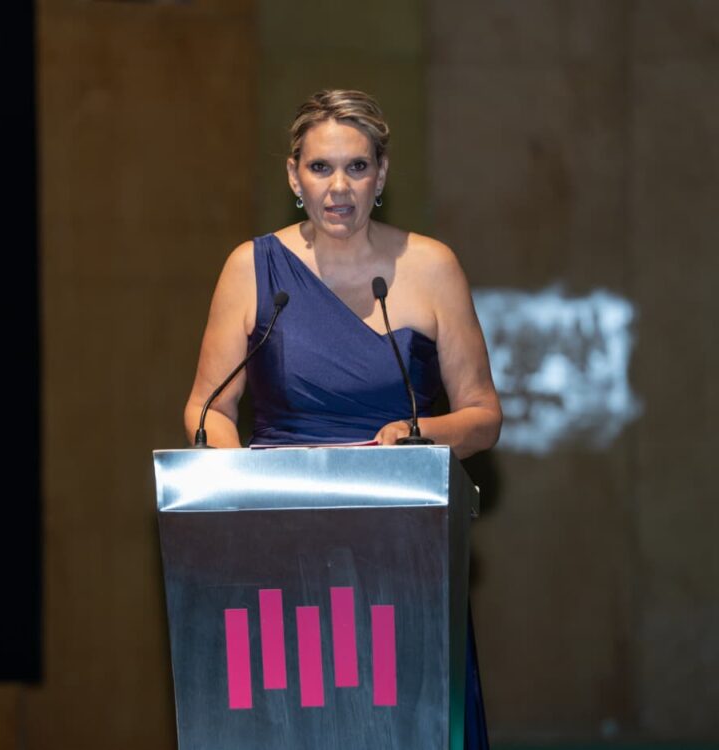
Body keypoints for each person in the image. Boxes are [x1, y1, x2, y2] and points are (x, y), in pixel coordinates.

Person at [183, 89, 502, 747]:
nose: (338, 188)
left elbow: (482, 416)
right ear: (293, 175)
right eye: (320, 167)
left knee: (397, 723)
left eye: (356, 167)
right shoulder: (252, 269)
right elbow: (209, 408)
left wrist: (418, 435)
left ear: (380, 175)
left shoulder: (431, 267)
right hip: (274, 554)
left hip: (402, 555)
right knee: (287, 725)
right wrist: (240, 488)